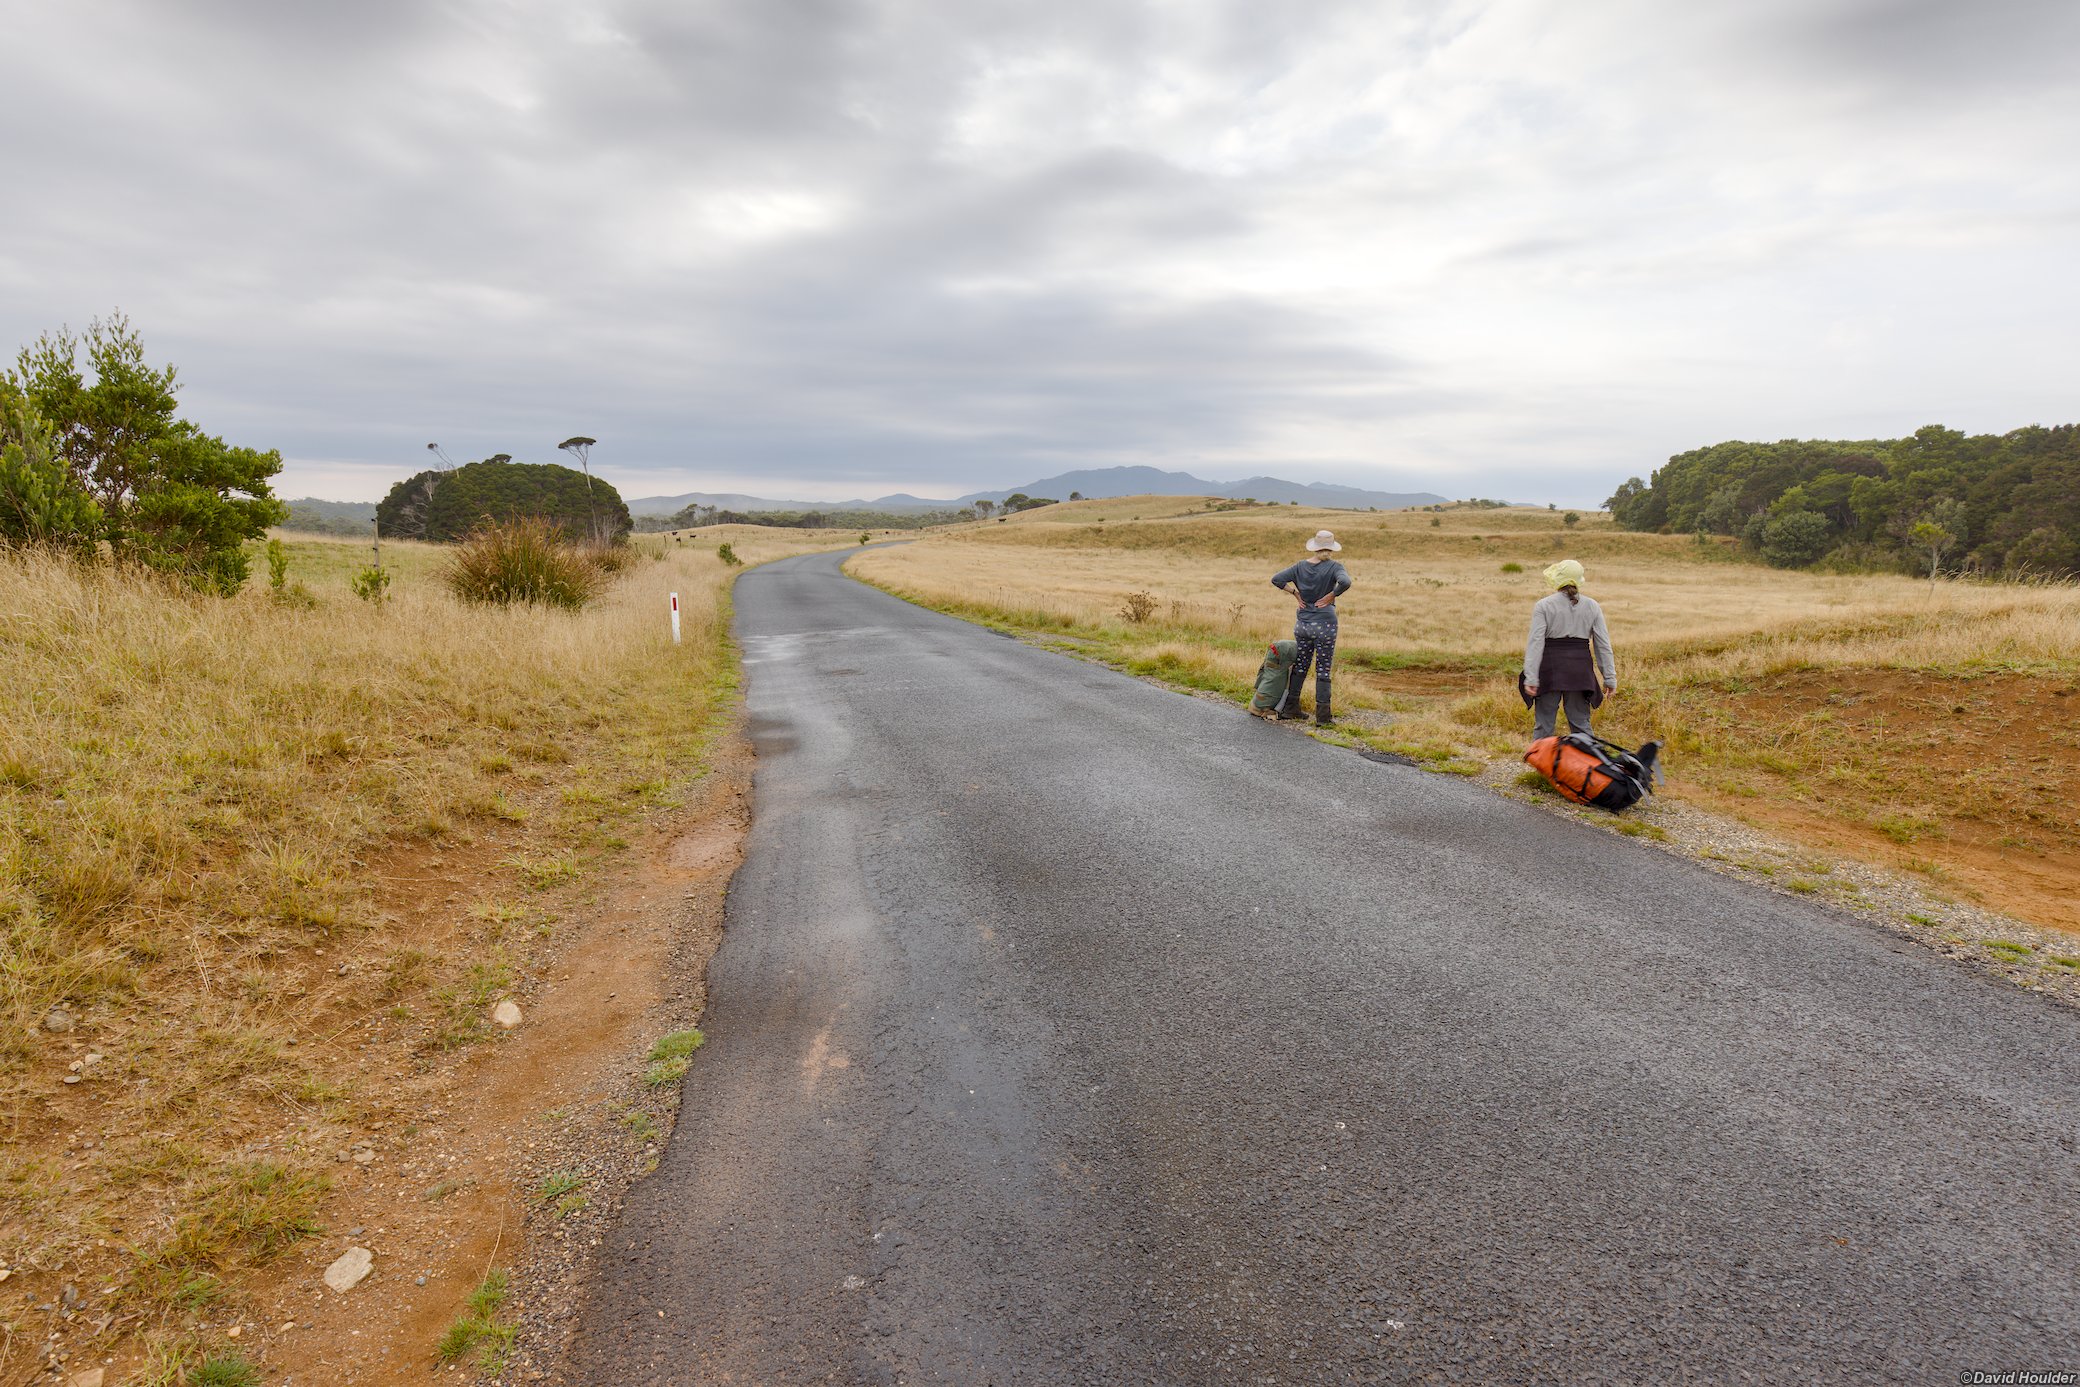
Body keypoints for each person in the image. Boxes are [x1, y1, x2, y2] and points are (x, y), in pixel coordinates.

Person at [1522, 559, 1616, 740]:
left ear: (1558, 578)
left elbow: (1535, 643)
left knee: (1544, 726)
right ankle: (1587, 758)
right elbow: (1603, 645)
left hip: (1550, 670)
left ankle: (1541, 758)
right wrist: (1609, 678)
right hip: (1579, 672)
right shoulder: (1593, 606)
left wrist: (1531, 676)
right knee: (1581, 726)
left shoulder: (1543, 605)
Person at [1270, 531, 1351, 725]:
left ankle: (1290, 708)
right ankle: (1323, 717)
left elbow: (1276, 579)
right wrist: (1332, 595)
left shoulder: (1300, 566)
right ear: (1331, 548)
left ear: (1314, 547)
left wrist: (1295, 593)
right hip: (1325, 624)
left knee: (1300, 665)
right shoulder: (1335, 567)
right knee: (1323, 668)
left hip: (1303, 624)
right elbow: (1346, 582)